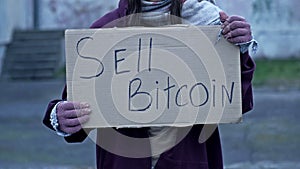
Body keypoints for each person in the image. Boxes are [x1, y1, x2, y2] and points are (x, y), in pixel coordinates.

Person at [43, 0, 256, 168]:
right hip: (124, 162)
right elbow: (77, 106)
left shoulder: (210, 26)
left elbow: (236, 101)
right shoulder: (105, 31)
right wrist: (60, 116)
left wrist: (240, 50)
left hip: (188, 160)